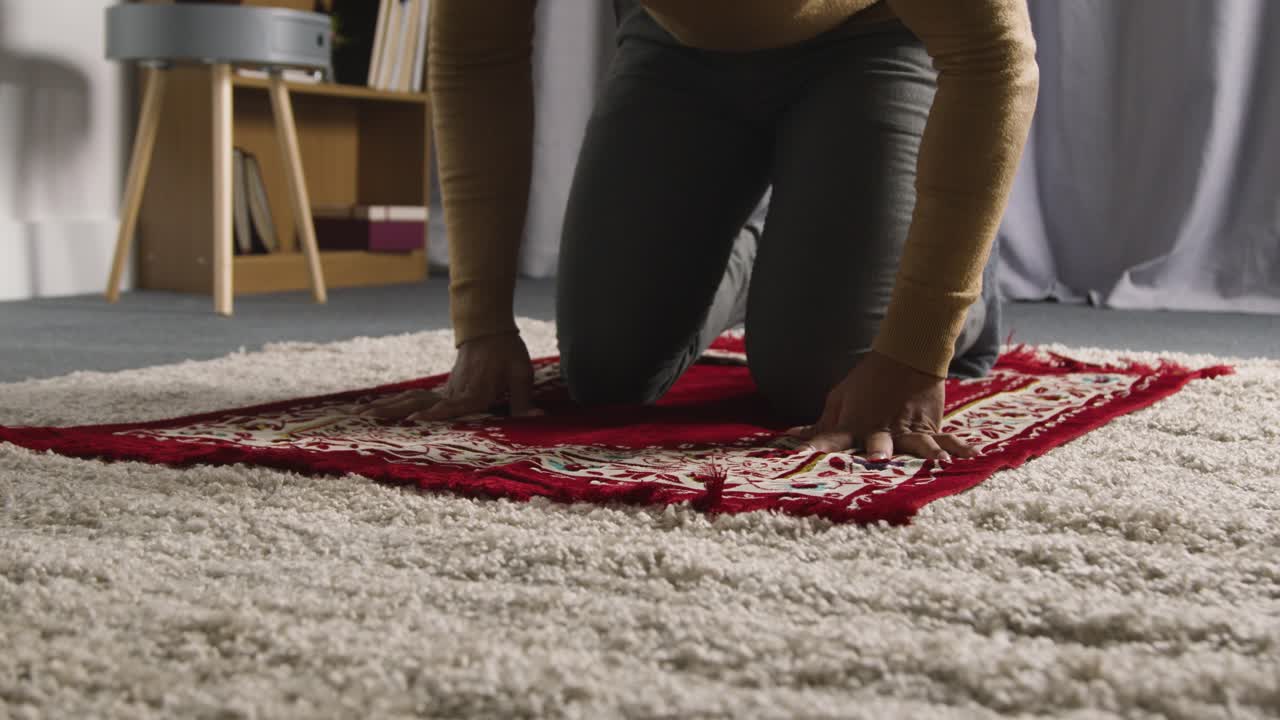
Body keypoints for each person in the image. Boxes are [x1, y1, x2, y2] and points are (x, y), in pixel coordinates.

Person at [370, 0, 1039, 463]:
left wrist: (917, 346)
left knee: (823, 377)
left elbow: (995, 57)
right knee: (606, 372)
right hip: (678, 47)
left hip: (872, 34)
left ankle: (960, 282)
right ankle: (776, 252)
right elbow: (477, 54)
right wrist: (482, 327)